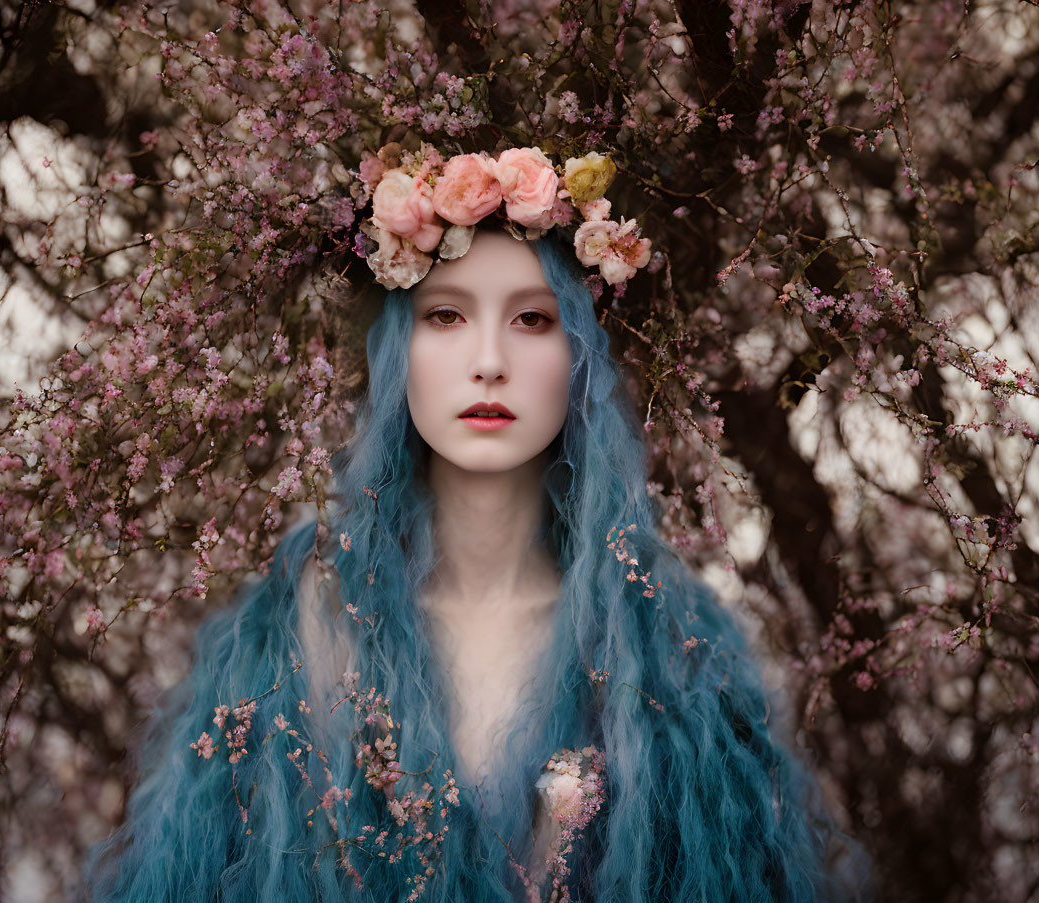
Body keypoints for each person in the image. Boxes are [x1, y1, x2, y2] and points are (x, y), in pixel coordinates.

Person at [86, 208, 859, 903]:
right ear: (397, 352)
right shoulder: (299, 636)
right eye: (446, 315)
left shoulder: (671, 647)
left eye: (532, 320)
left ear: (581, 354)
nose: (488, 360)